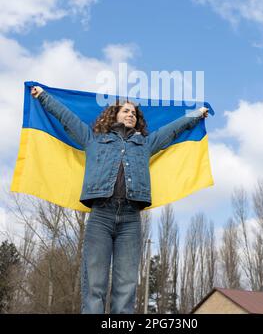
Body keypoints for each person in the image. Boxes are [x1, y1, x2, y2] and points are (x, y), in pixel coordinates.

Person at [30, 85, 209, 314]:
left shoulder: (146, 144)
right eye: (126, 111)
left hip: (130, 220)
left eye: (134, 113)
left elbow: (173, 130)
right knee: (94, 284)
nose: (131, 114)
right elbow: (66, 117)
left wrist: (196, 114)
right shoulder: (93, 139)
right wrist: (43, 96)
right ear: (114, 115)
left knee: (126, 286)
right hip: (100, 216)